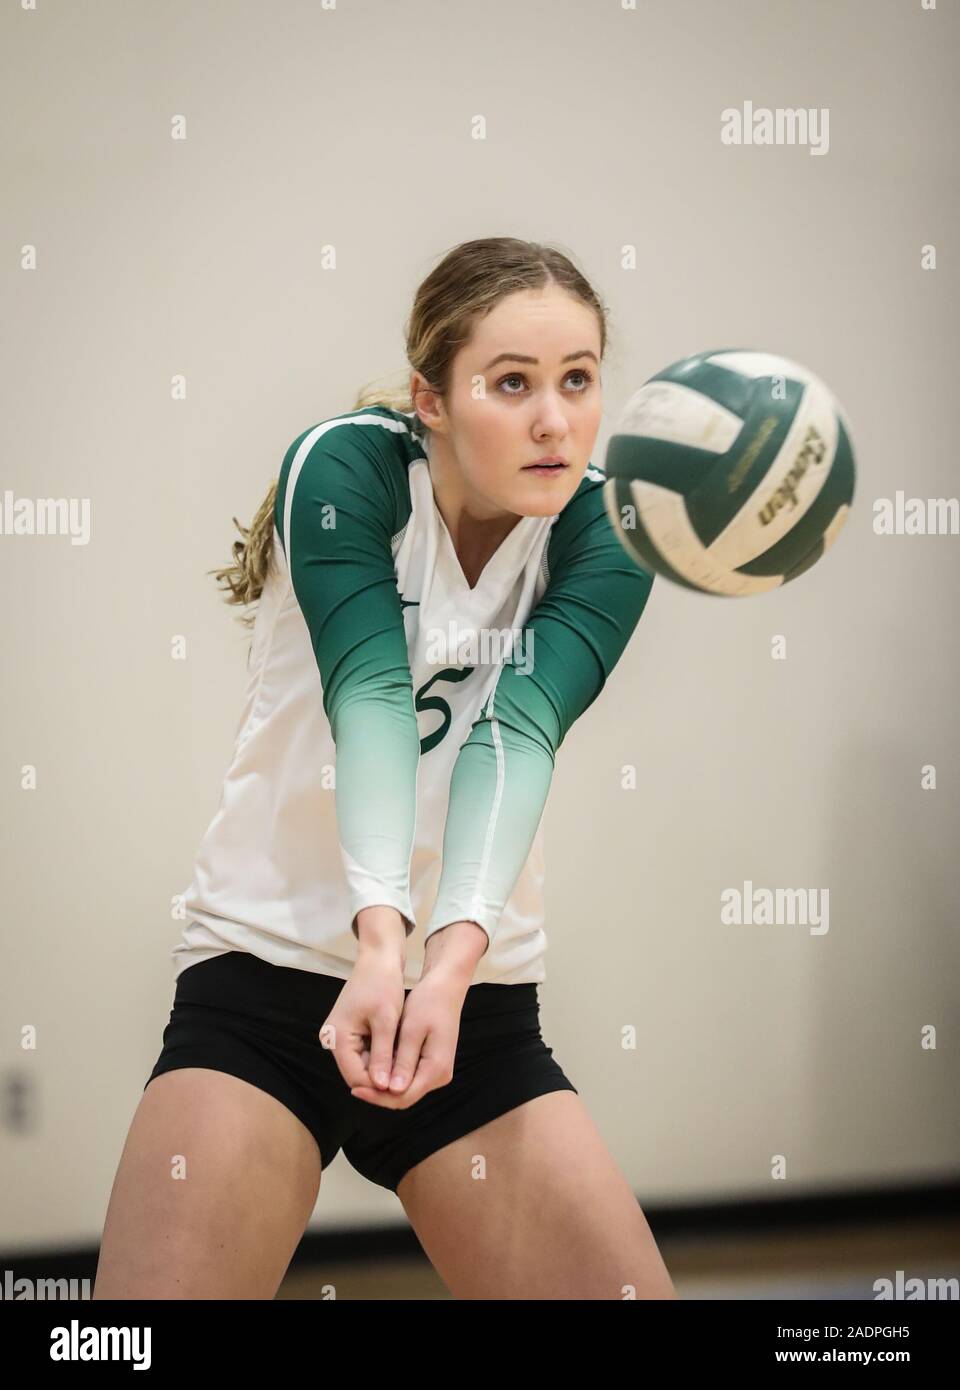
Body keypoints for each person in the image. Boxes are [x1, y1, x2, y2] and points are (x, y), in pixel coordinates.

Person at [93, 236, 676, 1300]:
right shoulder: (347, 467)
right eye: (512, 383)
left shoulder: (609, 525)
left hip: (474, 1001)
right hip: (268, 978)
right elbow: (371, 704)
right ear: (433, 397)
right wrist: (378, 938)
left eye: (579, 380)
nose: (555, 418)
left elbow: (518, 734)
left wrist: (440, 967)